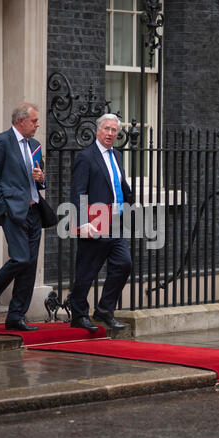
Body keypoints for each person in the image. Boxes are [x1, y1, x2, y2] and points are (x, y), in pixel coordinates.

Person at [0, 103, 45, 331]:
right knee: (20, 258)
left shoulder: (35, 145)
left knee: (29, 265)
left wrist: (41, 178)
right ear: (21, 121)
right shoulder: (1, 141)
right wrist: (3, 209)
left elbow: (40, 179)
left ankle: (16, 315)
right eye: (34, 121)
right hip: (12, 212)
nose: (37, 125)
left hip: (34, 211)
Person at [70, 113, 133, 332]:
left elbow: (119, 183)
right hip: (94, 221)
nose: (110, 133)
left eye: (114, 130)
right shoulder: (86, 157)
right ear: (98, 130)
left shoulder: (116, 154)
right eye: (106, 129)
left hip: (114, 220)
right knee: (87, 271)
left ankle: (105, 310)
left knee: (124, 263)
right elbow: (78, 192)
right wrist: (82, 221)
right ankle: (78, 314)